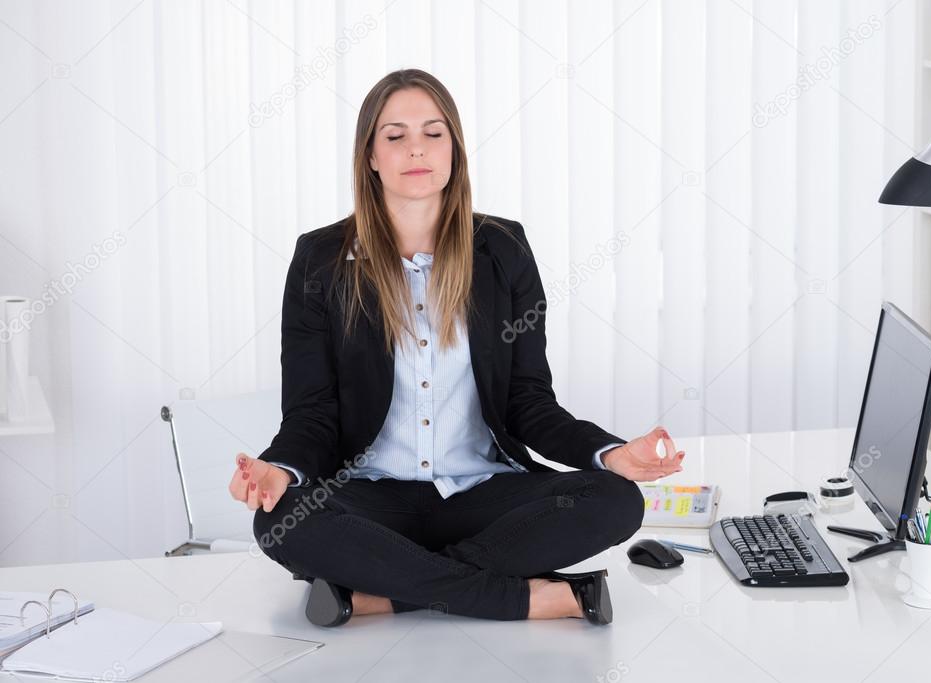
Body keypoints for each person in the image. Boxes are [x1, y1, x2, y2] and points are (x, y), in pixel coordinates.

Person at [229, 68, 685, 626]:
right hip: (370, 498)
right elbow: (312, 414)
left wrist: (611, 454)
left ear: (454, 150)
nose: (416, 148)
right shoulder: (320, 259)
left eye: (433, 133)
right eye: (395, 136)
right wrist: (280, 471)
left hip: (483, 495)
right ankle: (523, 598)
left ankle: (382, 595)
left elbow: (528, 403)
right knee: (281, 519)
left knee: (615, 500)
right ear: (370, 155)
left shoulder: (504, 249)